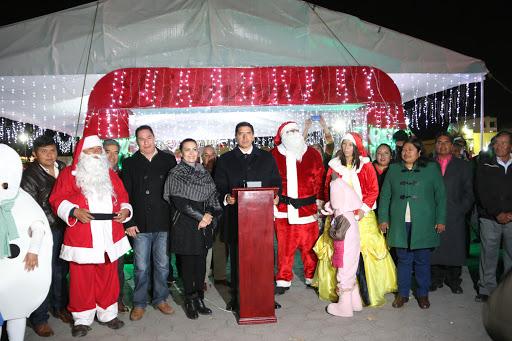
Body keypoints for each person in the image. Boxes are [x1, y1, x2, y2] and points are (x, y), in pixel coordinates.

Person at [49, 135, 132, 336]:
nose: (96, 153)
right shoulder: (69, 174)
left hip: (109, 232)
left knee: (108, 275)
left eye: (98, 150)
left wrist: (125, 210)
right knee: (81, 279)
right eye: (91, 150)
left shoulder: (110, 174)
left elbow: (123, 196)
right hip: (83, 233)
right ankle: (82, 318)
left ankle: (107, 313)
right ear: (82, 153)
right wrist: (74, 211)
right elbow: (57, 199)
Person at [214, 121, 282, 311]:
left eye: (248, 133)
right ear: (236, 137)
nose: (244, 137)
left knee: (265, 259)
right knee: (237, 260)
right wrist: (227, 197)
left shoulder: (266, 158)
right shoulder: (225, 159)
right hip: (236, 218)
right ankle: (237, 297)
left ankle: (267, 296)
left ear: (254, 136)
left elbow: (276, 181)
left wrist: (277, 196)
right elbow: (218, 186)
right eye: (240, 134)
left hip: (262, 221)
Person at [325, 133, 397, 307]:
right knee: (342, 254)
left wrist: (363, 210)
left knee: (365, 252)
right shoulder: (334, 166)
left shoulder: (365, 165)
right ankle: (346, 294)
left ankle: (367, 293)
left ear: (356, 147)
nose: (346, 148)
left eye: (350, 145)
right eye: (344, 144)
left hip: (363, 215)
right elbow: (328, 189)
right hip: (341, 216)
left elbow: (373, 189)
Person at [378, 137, 446, 309]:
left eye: (410, 149)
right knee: (403, 260)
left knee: (422, 260)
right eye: (404, 150)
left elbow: (441, 196)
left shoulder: (431, 168)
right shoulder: (393, 169)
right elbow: (385, 196)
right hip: (400, 223)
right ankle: (403, 294)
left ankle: (423, 294)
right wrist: (383, 219)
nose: (406, 152)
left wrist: (440, 220)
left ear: (419, 152)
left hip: (423, 222)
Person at [121, 125, 177, 321]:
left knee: (162, 265)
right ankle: (139, 302)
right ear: (136, 142)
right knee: (141, 266)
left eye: (149, 137)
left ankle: (160, 299)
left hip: (163, 221)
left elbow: (175, 190)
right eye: (141, 139)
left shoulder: (168, 160)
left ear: (154, 138)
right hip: (140, 223)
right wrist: (129, 222)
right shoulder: (130, 163)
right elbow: (125, 195)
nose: (146, 142)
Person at [164, 139, 222, 319]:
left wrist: (210, 214)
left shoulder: (203, 172)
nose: (191, 153)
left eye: (194, 150)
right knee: (188, 266)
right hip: (185, 224)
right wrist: (201, 217)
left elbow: (213, 196)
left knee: (201, 265)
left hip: (204, 224)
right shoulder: (175, 173)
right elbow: (179, 202)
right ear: (180, 153)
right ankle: (189, 300)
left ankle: (200, 299)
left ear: (198, 152)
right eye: (187, 150)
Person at [20, 136, 71, 337]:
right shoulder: (30, 176)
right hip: (46, 230)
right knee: (44, 274)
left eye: (52, 150)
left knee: (61, 270)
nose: (49, 155)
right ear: (35, 154)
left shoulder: (62, 167)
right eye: (44, 151)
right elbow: (30, 208)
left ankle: (60, 307)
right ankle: (39, 318)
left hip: (66, 226)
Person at [0, 144, 53, 341]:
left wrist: (33, 250)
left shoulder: (21, 200)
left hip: (18, 267)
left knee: (16, 307)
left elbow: (38, 226)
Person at [271, 121, 324, 294]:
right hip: (284, 211)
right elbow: (268, 181)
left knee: (310, 248)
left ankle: (311, 277)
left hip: (308, 211)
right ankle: (283, 279)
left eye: (296, 130)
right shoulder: (274, 155)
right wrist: (272, 201)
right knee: (285, 249)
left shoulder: (313, 154)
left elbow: (320, 180)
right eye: (289, 131)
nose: (294, 133)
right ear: (282, 135)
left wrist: (320, 202)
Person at [430, 133, 474, 294]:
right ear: (435, 145)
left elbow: (469, 192)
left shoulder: (463, 166)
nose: (442, 146)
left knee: (454, 248)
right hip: (432, 215)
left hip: (455, 213)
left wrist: (461, 210)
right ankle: (435, 278)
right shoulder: (428, 165)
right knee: (434, 248)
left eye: (446, 142)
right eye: (439, 142)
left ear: (452, 145)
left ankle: (454, 280)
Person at [475, 130, 512, 302]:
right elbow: (482, 192)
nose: (499, 146)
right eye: (497, 142)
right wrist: (497, 213)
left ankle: (507, 289)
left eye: (504, 143)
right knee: (488, 254)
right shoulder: (485, 164)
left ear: (510, 146)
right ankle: (486, 288)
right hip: (490, 218)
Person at [322, 178, 363, 317]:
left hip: (344, 232)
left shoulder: (336, 185)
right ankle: (355, 302)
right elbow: (335, 204)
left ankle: (344, 307)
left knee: (344, 264)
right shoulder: (349, 213)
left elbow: (336, 203)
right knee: (351, 264)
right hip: (352, 231)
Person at [103, 139, 129, 313]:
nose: (112, 156)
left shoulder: (122, 174)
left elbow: (128, 199)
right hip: (95, 228)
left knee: (118, 266)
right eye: (108, 152)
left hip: (117, 227)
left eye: (115, 152)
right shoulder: (91, 174)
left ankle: (117, 299)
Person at [201, 145, 228, 286]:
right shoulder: (198, 171)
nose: (209, 157)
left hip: (221, 212)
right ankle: (203, 277)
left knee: (220, 243)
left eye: (212, 155)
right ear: (202, 157)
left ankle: (220, 276)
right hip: (204, 213)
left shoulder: (222, 170)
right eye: (206, 155)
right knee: (205, 246)